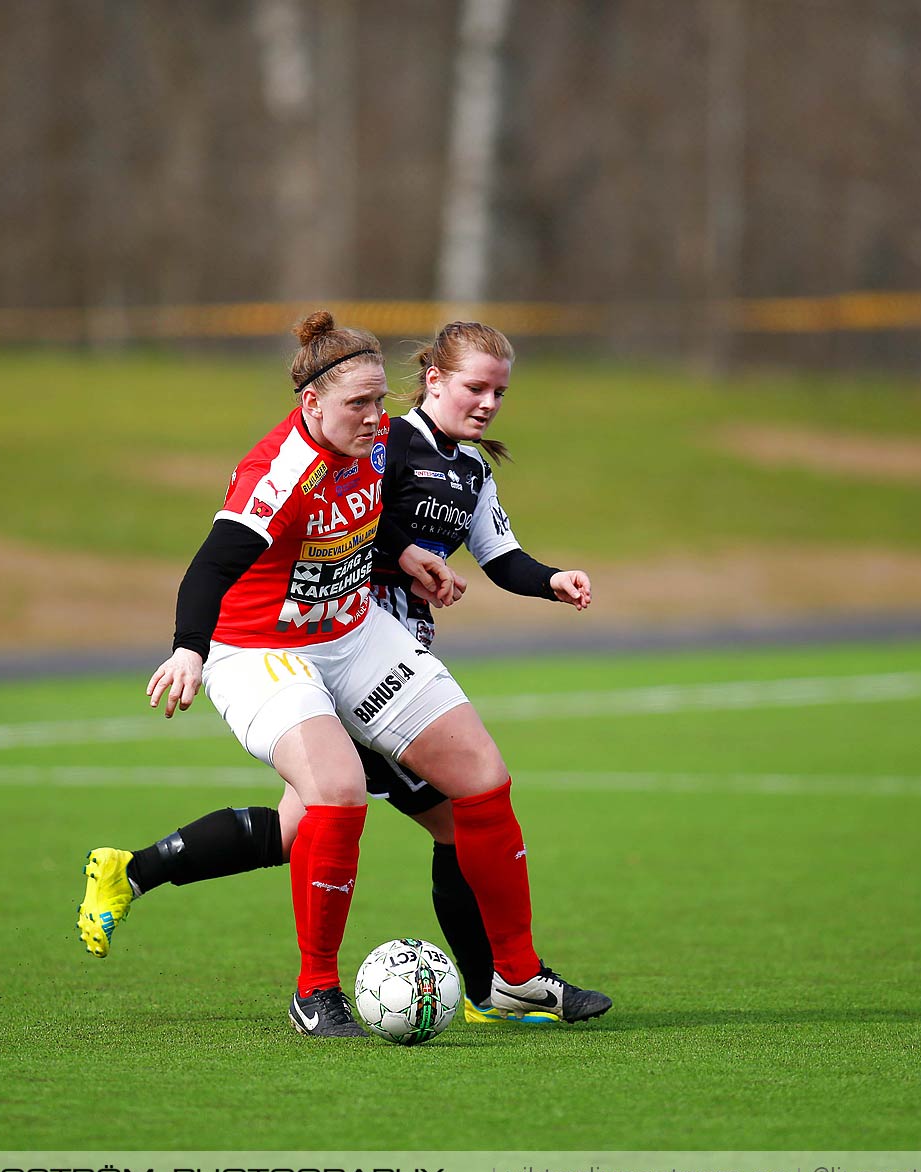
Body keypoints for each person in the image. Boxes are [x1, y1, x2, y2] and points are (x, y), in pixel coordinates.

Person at [77, 313, 609, 1037]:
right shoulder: (279, 471)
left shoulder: (380, 440)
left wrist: (412, 552)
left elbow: (361, 513)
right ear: (312, 405)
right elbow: (210, 566)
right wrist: (186, 649)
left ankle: (513, 975)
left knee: (481, 774)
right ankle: (314, 990)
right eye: (357, 404)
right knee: (336, 791)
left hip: (353, 630)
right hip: (261, 649)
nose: (373, 416)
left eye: (378, 400)